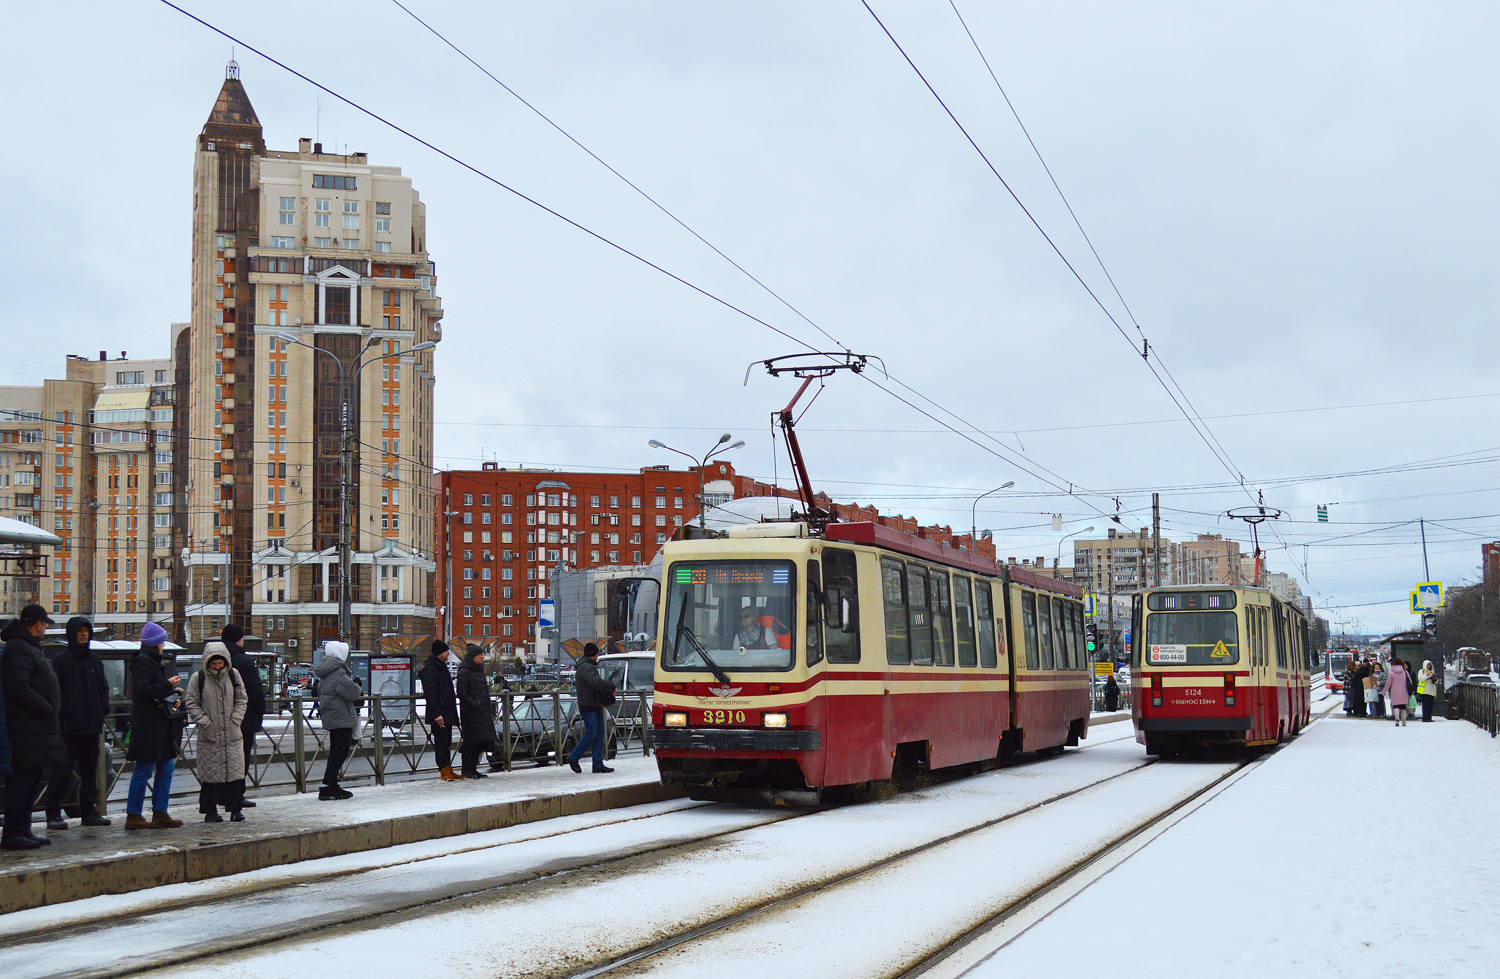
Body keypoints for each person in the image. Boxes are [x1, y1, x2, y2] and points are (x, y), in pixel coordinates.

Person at [1, 606, 67, 850]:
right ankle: (12, 833)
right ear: (37, 624)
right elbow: (17, 686)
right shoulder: (18, 647)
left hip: (38, 727)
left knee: (33, 778)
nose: (46, 627)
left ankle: (24, 829)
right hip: (29, 726)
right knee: (24, 779)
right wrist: (47, 708)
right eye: (44, 623)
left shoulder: (28, 646)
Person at [42, 616, 112, 830]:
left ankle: (89, 811)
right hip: (69, 728)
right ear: (72, 633)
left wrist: (103, 707)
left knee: (89, 771)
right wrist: (67, 712)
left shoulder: (94, 660)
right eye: (80, 631)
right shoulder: (60, 661)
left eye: (86, 630)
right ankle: (53, 812)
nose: (83, 634)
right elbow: (54, 693)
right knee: (62, 771)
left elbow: (104, 688)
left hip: (91, 726)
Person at [125, 621, 184, 830]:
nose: (164, 644)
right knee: (144, 769)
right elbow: (141, 691)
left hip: (158, 724)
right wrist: (168, 684)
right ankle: (133, 814)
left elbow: (154, 691)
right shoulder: (144, 662)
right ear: (156, 643)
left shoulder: (151, 661)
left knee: (166, 766)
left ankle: (160, 812)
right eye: (162, 641)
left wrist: (173, 694)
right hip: (149, 725)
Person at [185, 642, 249, 823]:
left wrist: (236, 719)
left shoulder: (233, 675)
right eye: (214, 664)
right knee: (210, 776)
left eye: (220, 663)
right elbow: (191, 702)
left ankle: (235, 809)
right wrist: (204, 722)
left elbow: (242, 699)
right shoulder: (198, 678)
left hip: (232, 733)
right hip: (210, 734)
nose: (218, 667)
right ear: (207, 662)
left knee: (235, 774)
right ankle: (209, 810)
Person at [221, 624, 264, 808]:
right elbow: (254, 690)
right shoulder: (243, 661)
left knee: (222, 758)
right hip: (243, 718)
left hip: (220, 717)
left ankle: (221, 796)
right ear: (239, 639)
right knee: (241, 758)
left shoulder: (216, 659)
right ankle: (237, 796)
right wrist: (261, 709)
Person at [315, 641, 362, 800]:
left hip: (332, 716)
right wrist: (357, 686)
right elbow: (354, 692)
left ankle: (331, 784)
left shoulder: (326, 671)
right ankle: (328, 785)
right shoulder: (338, 674)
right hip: (341, 717)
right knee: (339, 753)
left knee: (335, 751)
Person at [568, 642, 617, 775]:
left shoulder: (586, 666)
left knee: (599, 735)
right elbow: (596, 682)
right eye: (597, 653)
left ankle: (597, 763)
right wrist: (611, 686)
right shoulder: (586, 668)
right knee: (591, 734)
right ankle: (573, 757)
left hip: (595, 704)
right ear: (594, 654)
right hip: (589, 705)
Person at [419, 639, 461, 781]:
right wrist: (437, 714)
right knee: (441, 742)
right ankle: (443, 770)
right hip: (439, 713)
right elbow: (430, 693)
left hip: (446, 711)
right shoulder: (431, 669)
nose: (448, 653)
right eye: (446, 651)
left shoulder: (440, 666)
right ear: (439, 653)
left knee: (447, 741)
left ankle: (448, 768)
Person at [456, 644, 496, 779]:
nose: (483, 657)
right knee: (470, 742)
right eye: (480, 655)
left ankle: (473, 769)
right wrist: (474, 703)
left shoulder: (477, 670)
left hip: (481, 711)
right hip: (470, 713)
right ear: (474, 657)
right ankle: (466, 770)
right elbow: (461, 692)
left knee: (479, 742)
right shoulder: (464, 671)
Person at [1383, 657, 1413, 727]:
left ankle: (1396, 718)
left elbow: (1388, 684)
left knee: (1396, 706)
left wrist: (1384, 692)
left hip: (1394, 692)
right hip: (1404, 692)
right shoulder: (1405, 672)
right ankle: (1404, 722)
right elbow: (1410, 682)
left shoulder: (1392, 673)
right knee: (1403, 707)